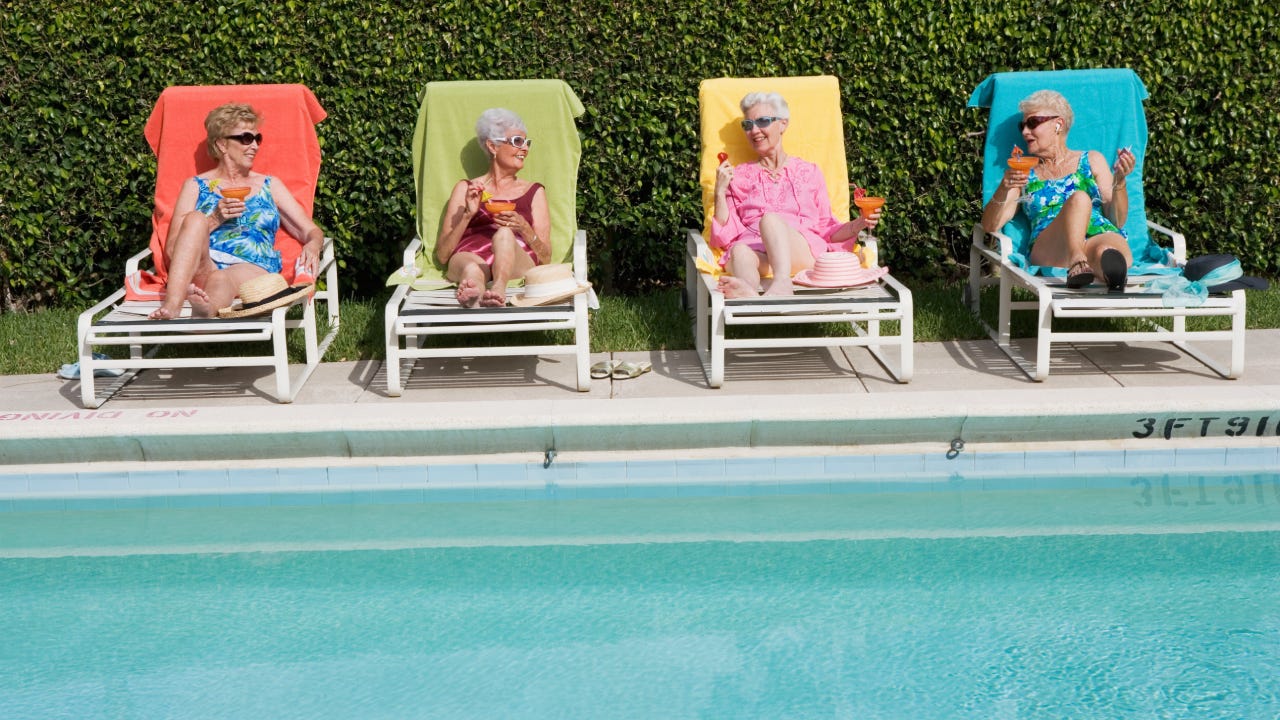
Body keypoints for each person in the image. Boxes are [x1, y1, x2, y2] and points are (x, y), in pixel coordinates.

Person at [149, 103, 323, 319]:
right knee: (195, 219)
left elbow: (310, 231)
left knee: (222, 279)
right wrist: (214, 218)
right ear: (222, 144)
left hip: (250, 268)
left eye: (257, 139)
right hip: (204, 267)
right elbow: (173, 251)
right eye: (246, 138)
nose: (255, 146)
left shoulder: (269, 185)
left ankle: (203, 313)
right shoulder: (195, 185)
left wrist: (314, 245)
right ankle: (172, 305)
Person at [711, 92, 881, 298]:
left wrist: (860, 223)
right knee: (738, 251)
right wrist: (720, 191)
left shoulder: (809, 172)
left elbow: (827, 229)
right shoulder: (737, 176)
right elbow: (723, 237)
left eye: (762, 121)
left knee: (770, 221)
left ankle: (782, 284)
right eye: (747, 125)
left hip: (801, 252)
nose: (754, 130)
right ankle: (747, 290)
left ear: (783, 124)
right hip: (756, 252)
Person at [980, 89, 1136, 290]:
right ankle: (1077, 260)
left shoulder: (1092, 160)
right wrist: (1004, 187)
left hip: (1098, 234)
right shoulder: (1024, 173)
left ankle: (1109, 273)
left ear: (1058, 124)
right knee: (1079, 198)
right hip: (1051, 245)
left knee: (1105, 252)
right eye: (1023, 125)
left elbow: (1116, 219)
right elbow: (990, 225)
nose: (1025, 131)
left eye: (1033, 123)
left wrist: (1120, 179)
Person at [436, 108, 551, 307]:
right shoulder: (466, 189)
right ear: (493, 146)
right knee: (472, 269)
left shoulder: (534, 192)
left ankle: (498, 288)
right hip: (470, 254)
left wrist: (523, 227)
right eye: (517, 141)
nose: (524, 148)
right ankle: (475, 295)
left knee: (505, 234)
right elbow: (443, 255)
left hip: (515, 258)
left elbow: (546, 257)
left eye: (526, 143)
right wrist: (467, 215)